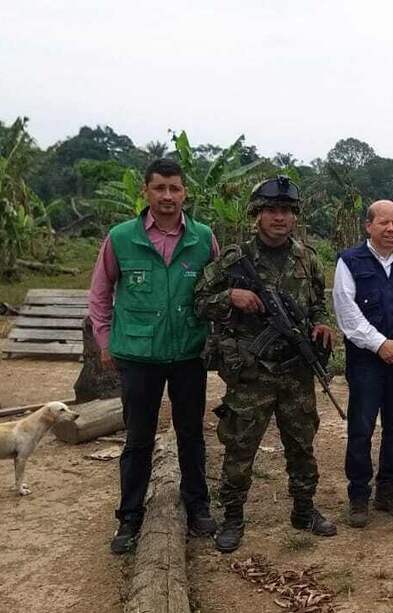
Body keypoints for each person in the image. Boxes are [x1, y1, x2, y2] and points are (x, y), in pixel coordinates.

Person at [194, 176, 337, 553]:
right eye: (272, 211)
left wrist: (322, 324)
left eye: (286, 211)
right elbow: (199, 300)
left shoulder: (307, 258)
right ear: (257, 215)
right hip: (252, 371)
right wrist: (232, 296)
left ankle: (304, 510)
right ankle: (233, 518)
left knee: (302, 443)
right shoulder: (235, 258)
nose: (279, 218)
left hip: (295, 370)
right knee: (241, 446)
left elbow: (317, 306)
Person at [89, 158, 219, 554]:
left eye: (174, 188)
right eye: (159, 188)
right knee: (139, 439)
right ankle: (129, 517)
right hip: (139, 355)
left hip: (188, 353)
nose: (167, 196)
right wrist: (105, 340)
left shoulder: (202, 238)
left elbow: (217, 290)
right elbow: (99, 293)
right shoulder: (121, 237)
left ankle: (198, 506)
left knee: (191, 434)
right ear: (145, 192)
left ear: (185, 193)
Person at [333, 200, 393, 528]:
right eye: (384, 223)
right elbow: (347, 312)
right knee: (361, 427)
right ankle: (358, 496)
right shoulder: (350, 262)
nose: (391, 229)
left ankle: (389, 491)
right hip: (366, 360)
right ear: (368, 226)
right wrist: (380, 344)